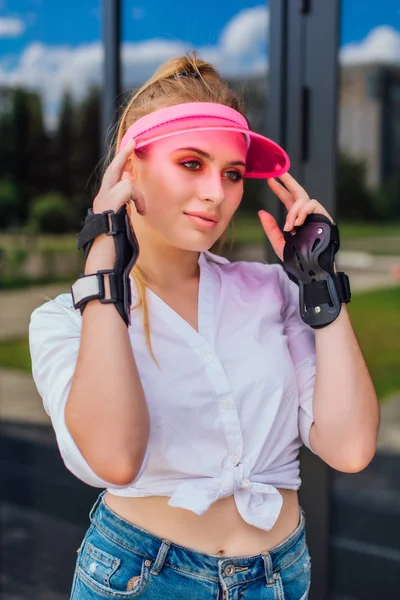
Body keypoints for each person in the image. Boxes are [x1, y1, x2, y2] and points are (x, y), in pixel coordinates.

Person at [28, 52, 379, 600]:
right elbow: (115, 460)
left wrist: (319, 284)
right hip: (138, 580)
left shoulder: (272, 291)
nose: (218, 192)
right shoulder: (64, 320)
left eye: (233, 174)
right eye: (192, 164)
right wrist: (103, 266)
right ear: (130, 168)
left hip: (279, 578)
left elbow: (351, 447)